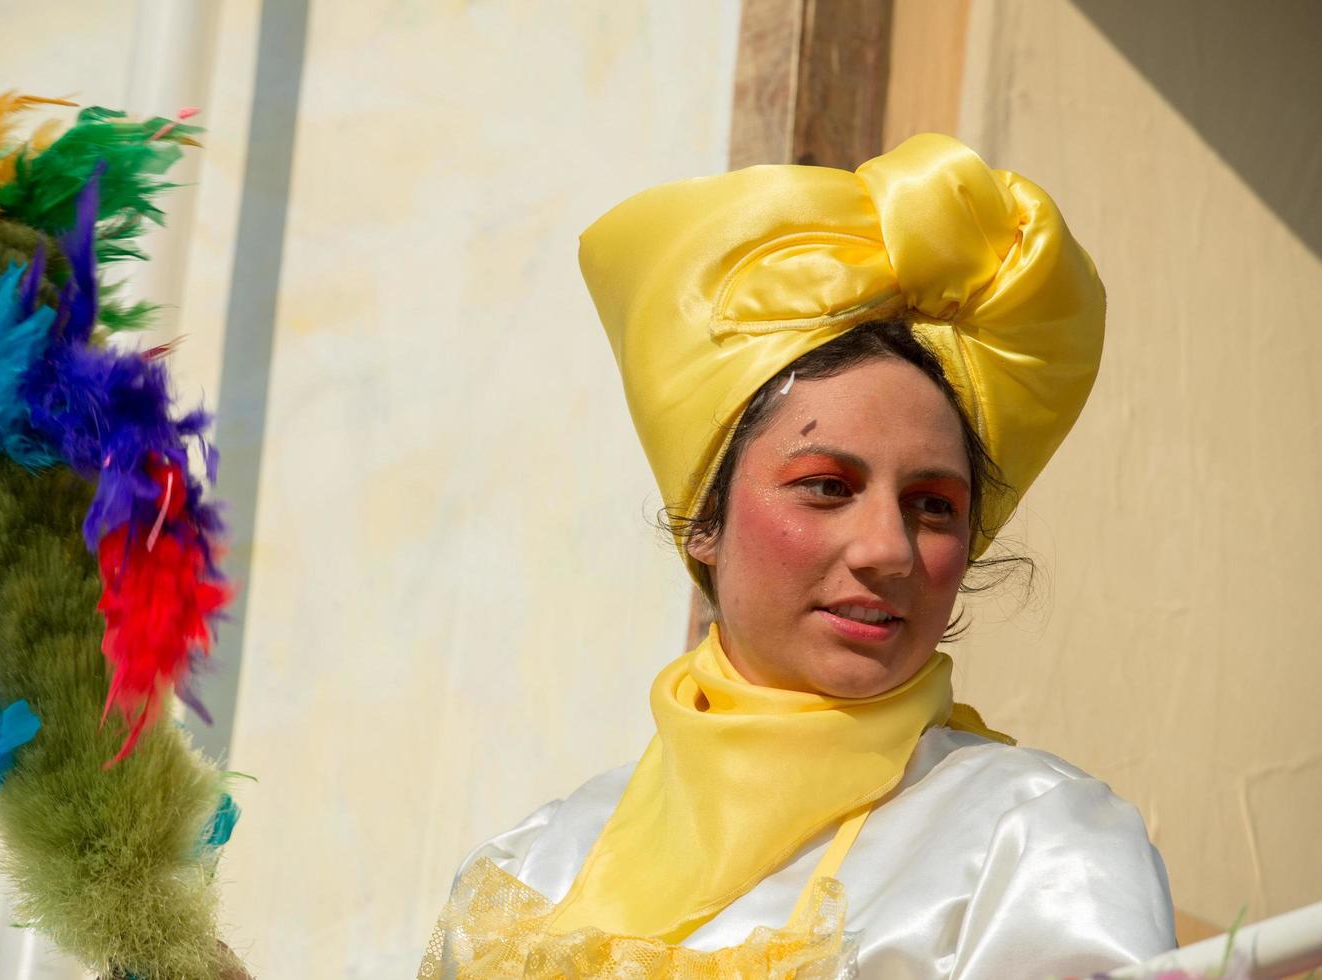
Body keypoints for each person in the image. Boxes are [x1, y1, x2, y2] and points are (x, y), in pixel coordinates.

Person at [419, 135, 1176, 979]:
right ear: (702, 519)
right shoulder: (530, 871)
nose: (887, 548)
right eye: (824, 486)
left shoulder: (1034, 846)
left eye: (934, 506)